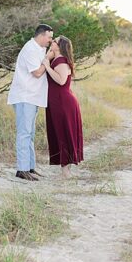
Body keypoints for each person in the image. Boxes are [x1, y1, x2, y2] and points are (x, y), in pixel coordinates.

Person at [7, 23, 54, 182]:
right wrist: (48, 58)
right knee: (24, 133)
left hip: (33, 97)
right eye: (49, 37)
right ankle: (22, 169)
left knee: (30, 134)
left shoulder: (40, 49)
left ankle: (30, 167)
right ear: (41, 35)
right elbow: (37, 73)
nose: (50, 41)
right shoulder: (30, 49)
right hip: (24, 96)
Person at [43, 35, 84, 177]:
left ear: (60, 46)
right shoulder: (56, 59)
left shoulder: (61, 61)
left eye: (55, 41)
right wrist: (48, 59)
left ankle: (66, 172)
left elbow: (61, 81)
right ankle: (65, 170)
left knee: (63, 133)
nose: (52, 42)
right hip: (57, 101)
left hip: (63, 102)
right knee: (59, 133)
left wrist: (47, 66)